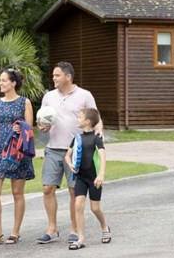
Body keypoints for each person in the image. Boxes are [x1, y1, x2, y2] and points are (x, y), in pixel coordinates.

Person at [37, 61, 103, 245]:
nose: (54, 78)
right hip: (52, 148)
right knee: (47, 188)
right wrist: (42, 126)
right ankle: (52, 229)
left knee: (75, 191)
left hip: (76, 151)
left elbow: (96, 119)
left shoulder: (84, 95)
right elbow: (42, 121)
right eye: (53, 75)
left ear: (68, 76)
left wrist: (99, 137)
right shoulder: (48, 96)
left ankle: (74, 229)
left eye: (57, 75)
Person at [0, 68, 35, 247]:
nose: (1, 83)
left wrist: (22, 128)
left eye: (4, 80)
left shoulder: (24, 102)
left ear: (13, 83)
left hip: (17, 151)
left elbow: (30, 128)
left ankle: (15, 232)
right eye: (0, 80)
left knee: (17, 192)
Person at [64, 108, 111, 250]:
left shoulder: (97, 138)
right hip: (81, 177)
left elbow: (102, 157)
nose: (77, 119)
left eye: (80, 117)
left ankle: (104, 227)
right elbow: (67, 155)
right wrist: (70, 163)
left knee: (95, 208)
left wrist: (101, 174)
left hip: (94, 178)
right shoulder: (77, 138)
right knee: (78, 205)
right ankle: (81, 238)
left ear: (88, 122)